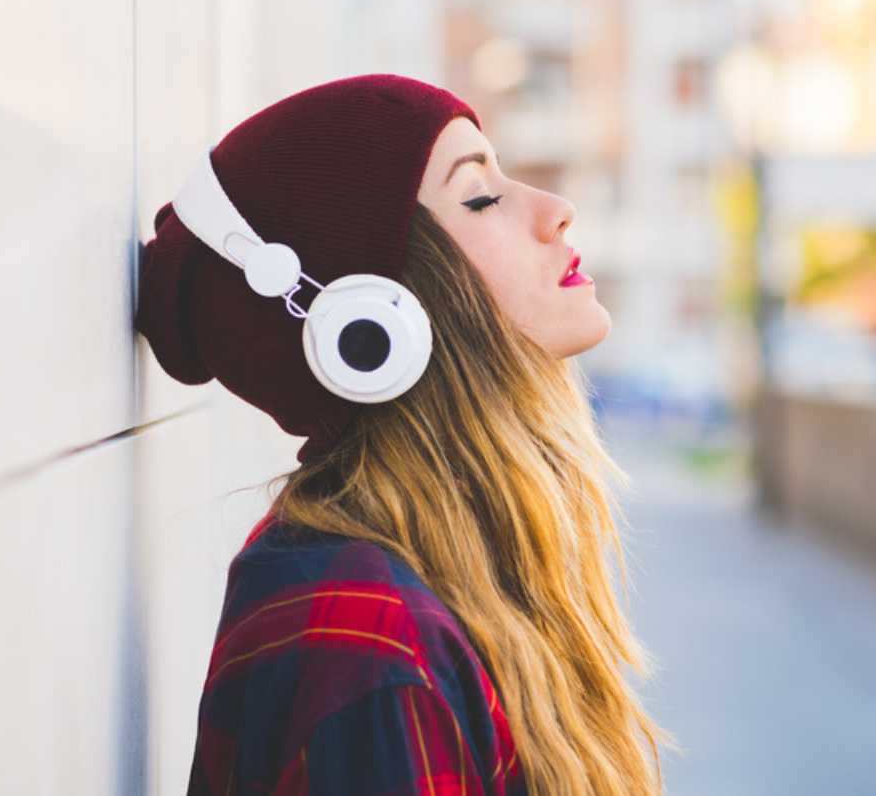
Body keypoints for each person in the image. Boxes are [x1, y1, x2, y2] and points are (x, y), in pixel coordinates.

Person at [136, 73, 673, 795]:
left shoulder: (441, 579)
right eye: (480, 197)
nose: (556, 211)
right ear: (365, 327)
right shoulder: (368, 647)